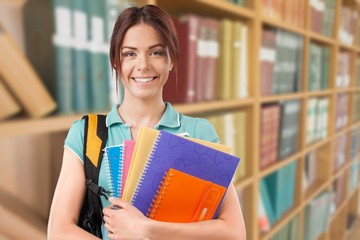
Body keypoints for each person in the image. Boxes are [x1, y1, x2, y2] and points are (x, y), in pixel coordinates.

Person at [48, 4, 246, 240]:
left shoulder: (198, 132)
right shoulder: (86, 134)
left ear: (171, 60)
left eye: (156, 52)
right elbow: (58, 231)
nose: (143, 65)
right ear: (116, 62)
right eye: (130, 53)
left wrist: (145, 229)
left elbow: (234, 233)